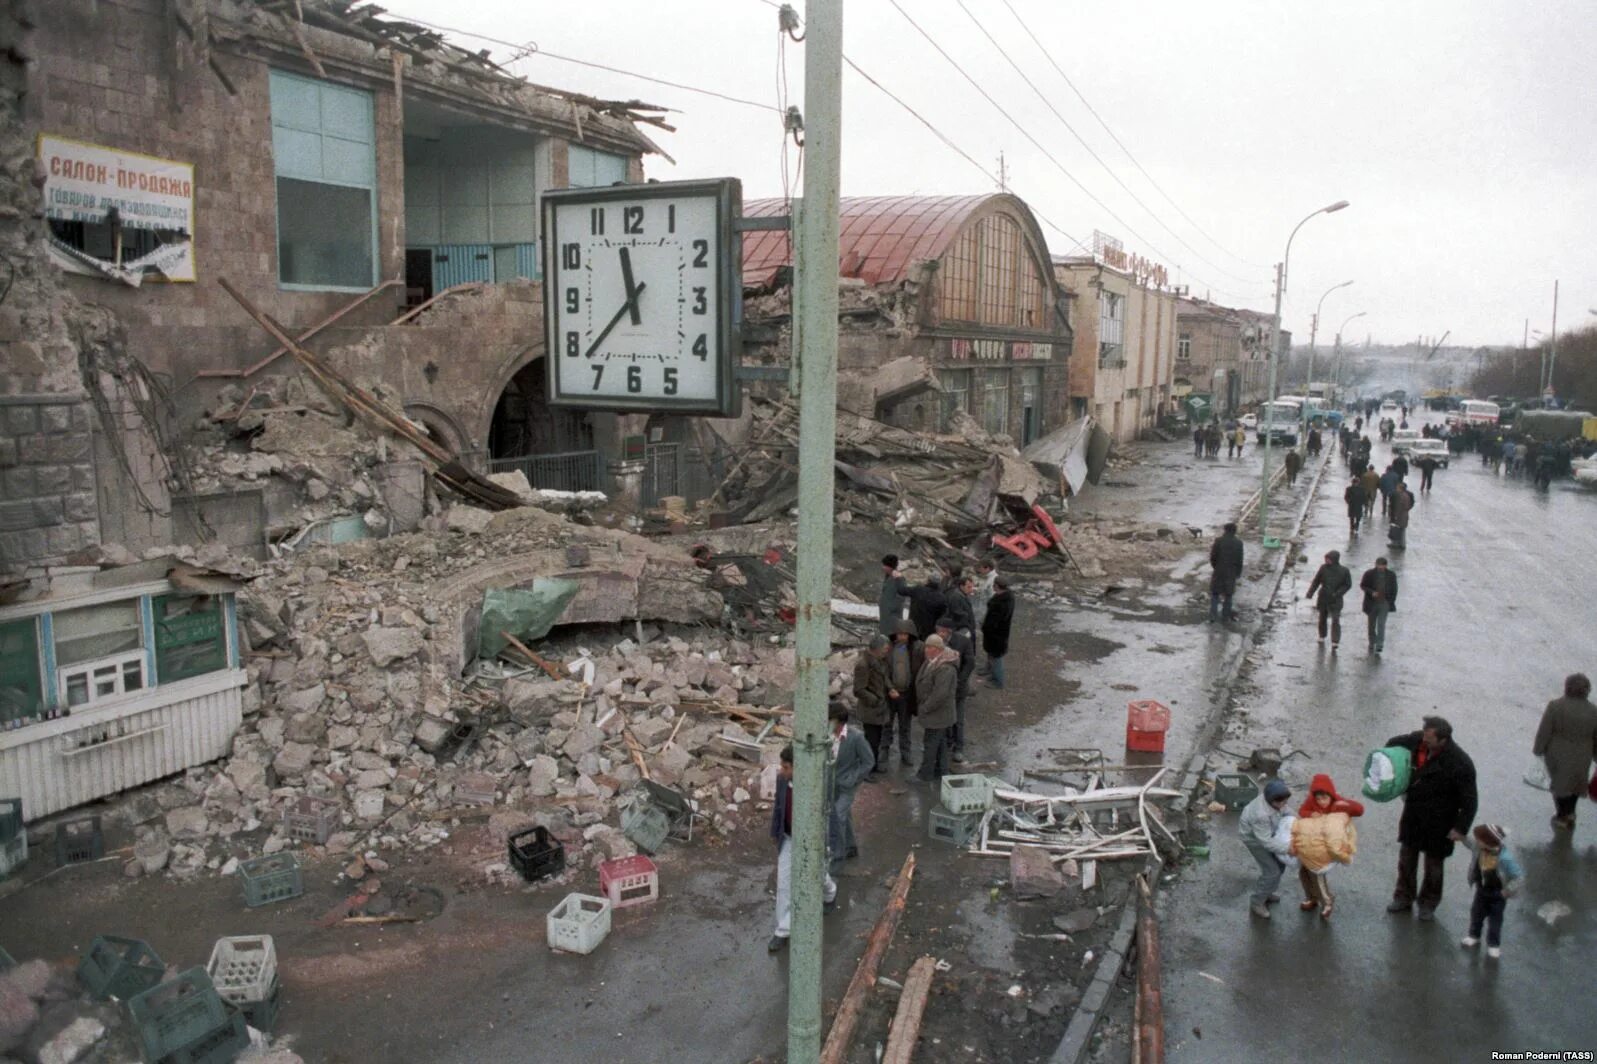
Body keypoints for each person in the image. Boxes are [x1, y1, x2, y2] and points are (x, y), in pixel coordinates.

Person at [1385, 716, 1478, 920]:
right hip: (1414, 814)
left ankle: (1428, 903)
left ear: (1443, 740)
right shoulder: (1418, 740)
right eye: (1424, 735)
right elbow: (1391, 744)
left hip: (1440, 822)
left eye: (1429, 739)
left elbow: (1470, 801)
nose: (1424, 741)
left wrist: (1460, 829)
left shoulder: (1461, 763)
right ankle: (1403, 897)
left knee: (1434, 867)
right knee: (1406, 859)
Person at [769, 744, 837, 952]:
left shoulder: (816, 785)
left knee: (816, 876)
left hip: (811, 841)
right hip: (789, 838)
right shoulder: (782, 781)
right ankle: (783, 930)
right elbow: (778, 808)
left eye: (786, 767)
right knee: (784, 884)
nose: (782, 771)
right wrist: (775, 833)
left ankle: (830, 892)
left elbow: (826, 815)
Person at [1291, 774, 1365, 919]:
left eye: (1324, 798)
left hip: (1323, 848)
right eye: (1318, 799)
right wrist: (1311, 813)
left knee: (1317, 874)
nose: (1321, 802)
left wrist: (1346, 805)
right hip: (1310, 845)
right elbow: (1302, 811)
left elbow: (1359, 810)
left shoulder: (1338, 802)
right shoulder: (1312, 802)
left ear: (1331, 795)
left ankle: (1327, 902)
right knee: (1304, 873)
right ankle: (1311, 898)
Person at [1531, 672, 1597, 830]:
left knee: (1559, 785)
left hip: (1557, 753)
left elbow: (1545, 729)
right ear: (1587, 690)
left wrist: (1538, 749)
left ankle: (1563, 814)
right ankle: (1570, 812)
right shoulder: (1594, 711)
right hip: (1583, 754)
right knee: (1576, 784)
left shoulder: (1555, 706)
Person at [1459, 823, 1524, 959]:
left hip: (1498, 893)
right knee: (1476, 914)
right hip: (1482, 889)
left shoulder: (1505, 858)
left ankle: (1493, 945)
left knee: (1495, 920)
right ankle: (1474, 936)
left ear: (1488, 842)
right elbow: (1470, 843)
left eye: (1479, 839)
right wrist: (1461, 837)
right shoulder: (1479, 848)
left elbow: (1518, 877)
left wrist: (1506, 891)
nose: (1476, 841)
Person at [827, 701, 875, 875]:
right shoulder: (827, 736)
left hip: (847, 785)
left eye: (831, 722)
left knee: (837, 816)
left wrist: (853, 778)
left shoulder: (856, 737)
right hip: (831, 784)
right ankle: (850, 846)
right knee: (844, 816)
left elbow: (868, 762)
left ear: (840, 722)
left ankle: (838, 856)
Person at [1240, 779, 1294, 919]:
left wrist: (1300, 823)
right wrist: (1288, 849)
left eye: (1285, 801)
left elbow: (1288, 812)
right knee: (1272, 872)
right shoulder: (1260, 815)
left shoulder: (1276, 801)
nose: (1283, 805)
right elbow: (1266, 842)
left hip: (1269, 833)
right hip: (1255, 840)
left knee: (1280, 865)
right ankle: (1257, 901)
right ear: (1271, 800)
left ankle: (1267, 892)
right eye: (1280, 802)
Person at [914, 634, 958, 783]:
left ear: (938, 649)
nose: (926, 649)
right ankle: (942, 772)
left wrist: (925, 708)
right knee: (940, 744)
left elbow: (940, 694)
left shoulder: (945, 668)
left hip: (938, 714)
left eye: (930, 647)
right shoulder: (933, 661)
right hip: (936, 713)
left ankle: (925, 775)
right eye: (926, 646)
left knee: (931, 744)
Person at [934, 616, 976, 765]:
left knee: (958, 718)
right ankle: (947, 742)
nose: (938, 634)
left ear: (948, 631)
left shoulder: (963, 642)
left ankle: (959, 748)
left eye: (941, 631)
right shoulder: (936, 642)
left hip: (958, 687)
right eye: (937, 630)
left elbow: (970, 663)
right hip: (942, 686)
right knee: (944, 716)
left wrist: (960, 680)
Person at [882, 620, 922, 767]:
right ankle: (884, 753)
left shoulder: (916, 649)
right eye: (900, 634)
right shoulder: (888, 649)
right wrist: (890, 688)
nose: (902, 637)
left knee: (905, 726)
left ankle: (906, 753)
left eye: (905, 634)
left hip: (906, 695)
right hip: (890, 695)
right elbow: (883, 672)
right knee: (887, 725)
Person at [852, 635, 892, 773]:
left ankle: (873, 767)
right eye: (885, 649)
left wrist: (890, 688)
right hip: (870, 710)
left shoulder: (880, 661)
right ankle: (868, 770)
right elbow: (858, 690)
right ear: (876, 649)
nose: (887, 651)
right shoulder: (863, 665)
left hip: (879, 709)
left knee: (877, 740)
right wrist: (874, 699)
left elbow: (883, 678)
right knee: (871, 742)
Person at [1306, 549, 1352, 649]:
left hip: (1336, 599)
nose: (1327, 561)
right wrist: (1310, 592)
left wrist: (1338, 593)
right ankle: (1322, 635)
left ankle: (1335, 641)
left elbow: (1348, 585)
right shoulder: (1323, 568)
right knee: (1322, 617)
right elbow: (1316, 581)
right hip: (1323, 597)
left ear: (1335, 559)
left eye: (1329, 559)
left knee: (1335, 619)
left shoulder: (1344, 571)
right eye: (1326, 559)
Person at [980, 577, 1014, 689]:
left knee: (996, 657)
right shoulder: (1005, 598)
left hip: (996, 634)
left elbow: (994, 621)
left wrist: (985, 627)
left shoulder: (1000, 603)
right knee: (992, 654)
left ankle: (998, 681)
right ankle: (992, 673)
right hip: (997, 634)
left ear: (997, 586)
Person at [1359, 556, 1398, 654]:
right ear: (1375, 565)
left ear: (1386, 566)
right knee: (1371, 625)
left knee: (1381, 624)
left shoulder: (1391, 575)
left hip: (1384, 603)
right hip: (1371, 603)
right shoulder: (1369, 574)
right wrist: (1371, 592)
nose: (1380, 567)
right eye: (1379, 565)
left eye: (1382, 566)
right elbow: (1363, 585)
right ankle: (1372, 642)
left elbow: (1394, 589)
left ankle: (1380, 644)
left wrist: (1390, 602)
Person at [1208, 522, 1244, 623]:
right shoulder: (1239, 543)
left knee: (1215, 594)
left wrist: (1216, 567)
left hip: (1219, 571)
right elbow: (1240, 559)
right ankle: (1225, 616)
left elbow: (1213, 557)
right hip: (1231, 572)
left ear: (1225, 530)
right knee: (1228, 595)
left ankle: (1212, 616)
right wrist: (1238, 572)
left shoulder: (1219, 541)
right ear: (1235, 531)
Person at [877, 554, 910, 635]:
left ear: (890, 566)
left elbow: (902, 596)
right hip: (885, 614)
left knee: (892, 635)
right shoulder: (888, 576)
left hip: (893, 616)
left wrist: (891, 608)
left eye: (885, 565)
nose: (883, 567)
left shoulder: (899, 579)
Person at [1388, 479, 1413, 549]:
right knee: (1402, 530)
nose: (1396, 489)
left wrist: (1396, 516)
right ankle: (1402, 544)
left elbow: (1399, 507)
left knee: (1397, 529)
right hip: (1404, 515)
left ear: (1400, 489)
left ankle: (1396, 544)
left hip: (1400, 516)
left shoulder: (1401, 496)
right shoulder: (1406, 495)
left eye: (1397, 488)